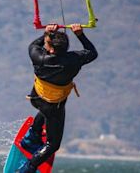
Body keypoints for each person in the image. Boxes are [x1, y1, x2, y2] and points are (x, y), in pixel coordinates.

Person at [19, 23, 98, 173]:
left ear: (52, 49)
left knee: (44, 109)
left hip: (36, 99)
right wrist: (80, 34)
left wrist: (46, 33)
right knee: (52, 145)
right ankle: (28, 168)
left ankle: (32, 137)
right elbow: (92, 53)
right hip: (53, 107)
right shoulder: (74, 59)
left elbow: (33, 45)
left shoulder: (39, 57)